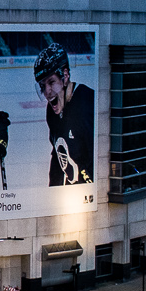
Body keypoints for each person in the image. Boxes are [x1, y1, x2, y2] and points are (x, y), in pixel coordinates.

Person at [34, 43, 95, 187]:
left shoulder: (88, 105)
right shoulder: (52, 111)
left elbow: (99, 160)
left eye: (51, 82)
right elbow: (57, 156)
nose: (47, 91)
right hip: (71, 197)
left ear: (65, 75)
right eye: (43, 86)